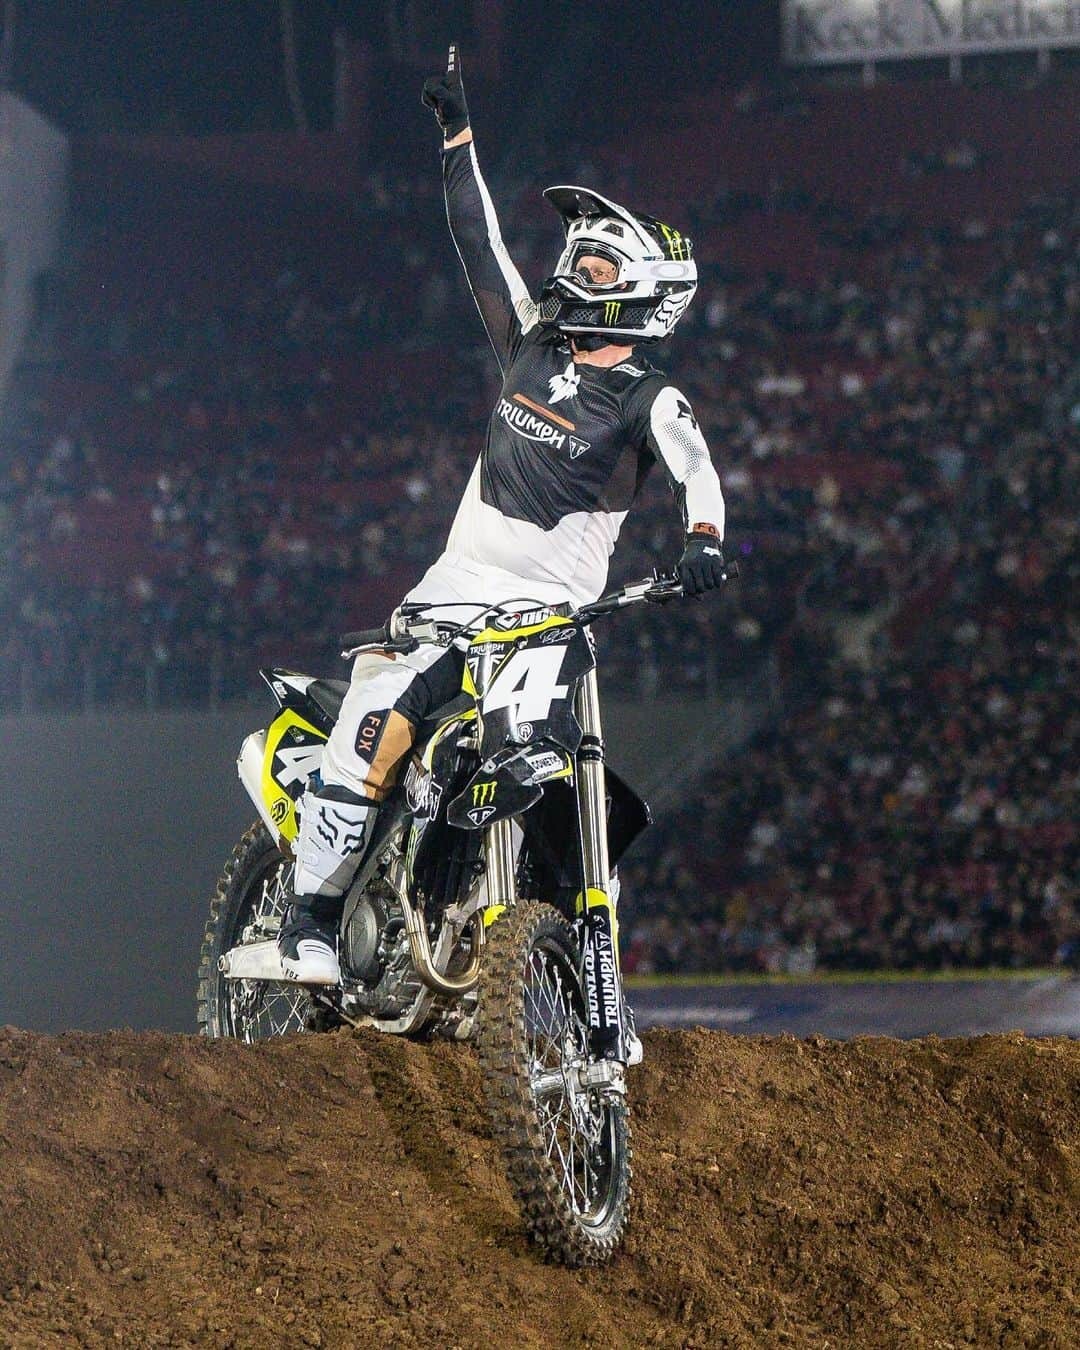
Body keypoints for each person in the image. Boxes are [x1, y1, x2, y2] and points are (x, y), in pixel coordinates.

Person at [277, 46, 728, 1000]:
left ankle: (567, 990)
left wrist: (703, 543)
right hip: (455, 585)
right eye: (580, 251)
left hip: (550, 611)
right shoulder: (531, 340)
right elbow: (478, 242)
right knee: (375, 726)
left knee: (552, 777)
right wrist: (458, 137)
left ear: (645, 290)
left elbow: (697, 470)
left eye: (599, 256)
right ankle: (309, 915)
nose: (577, 262)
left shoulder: (651, 395)